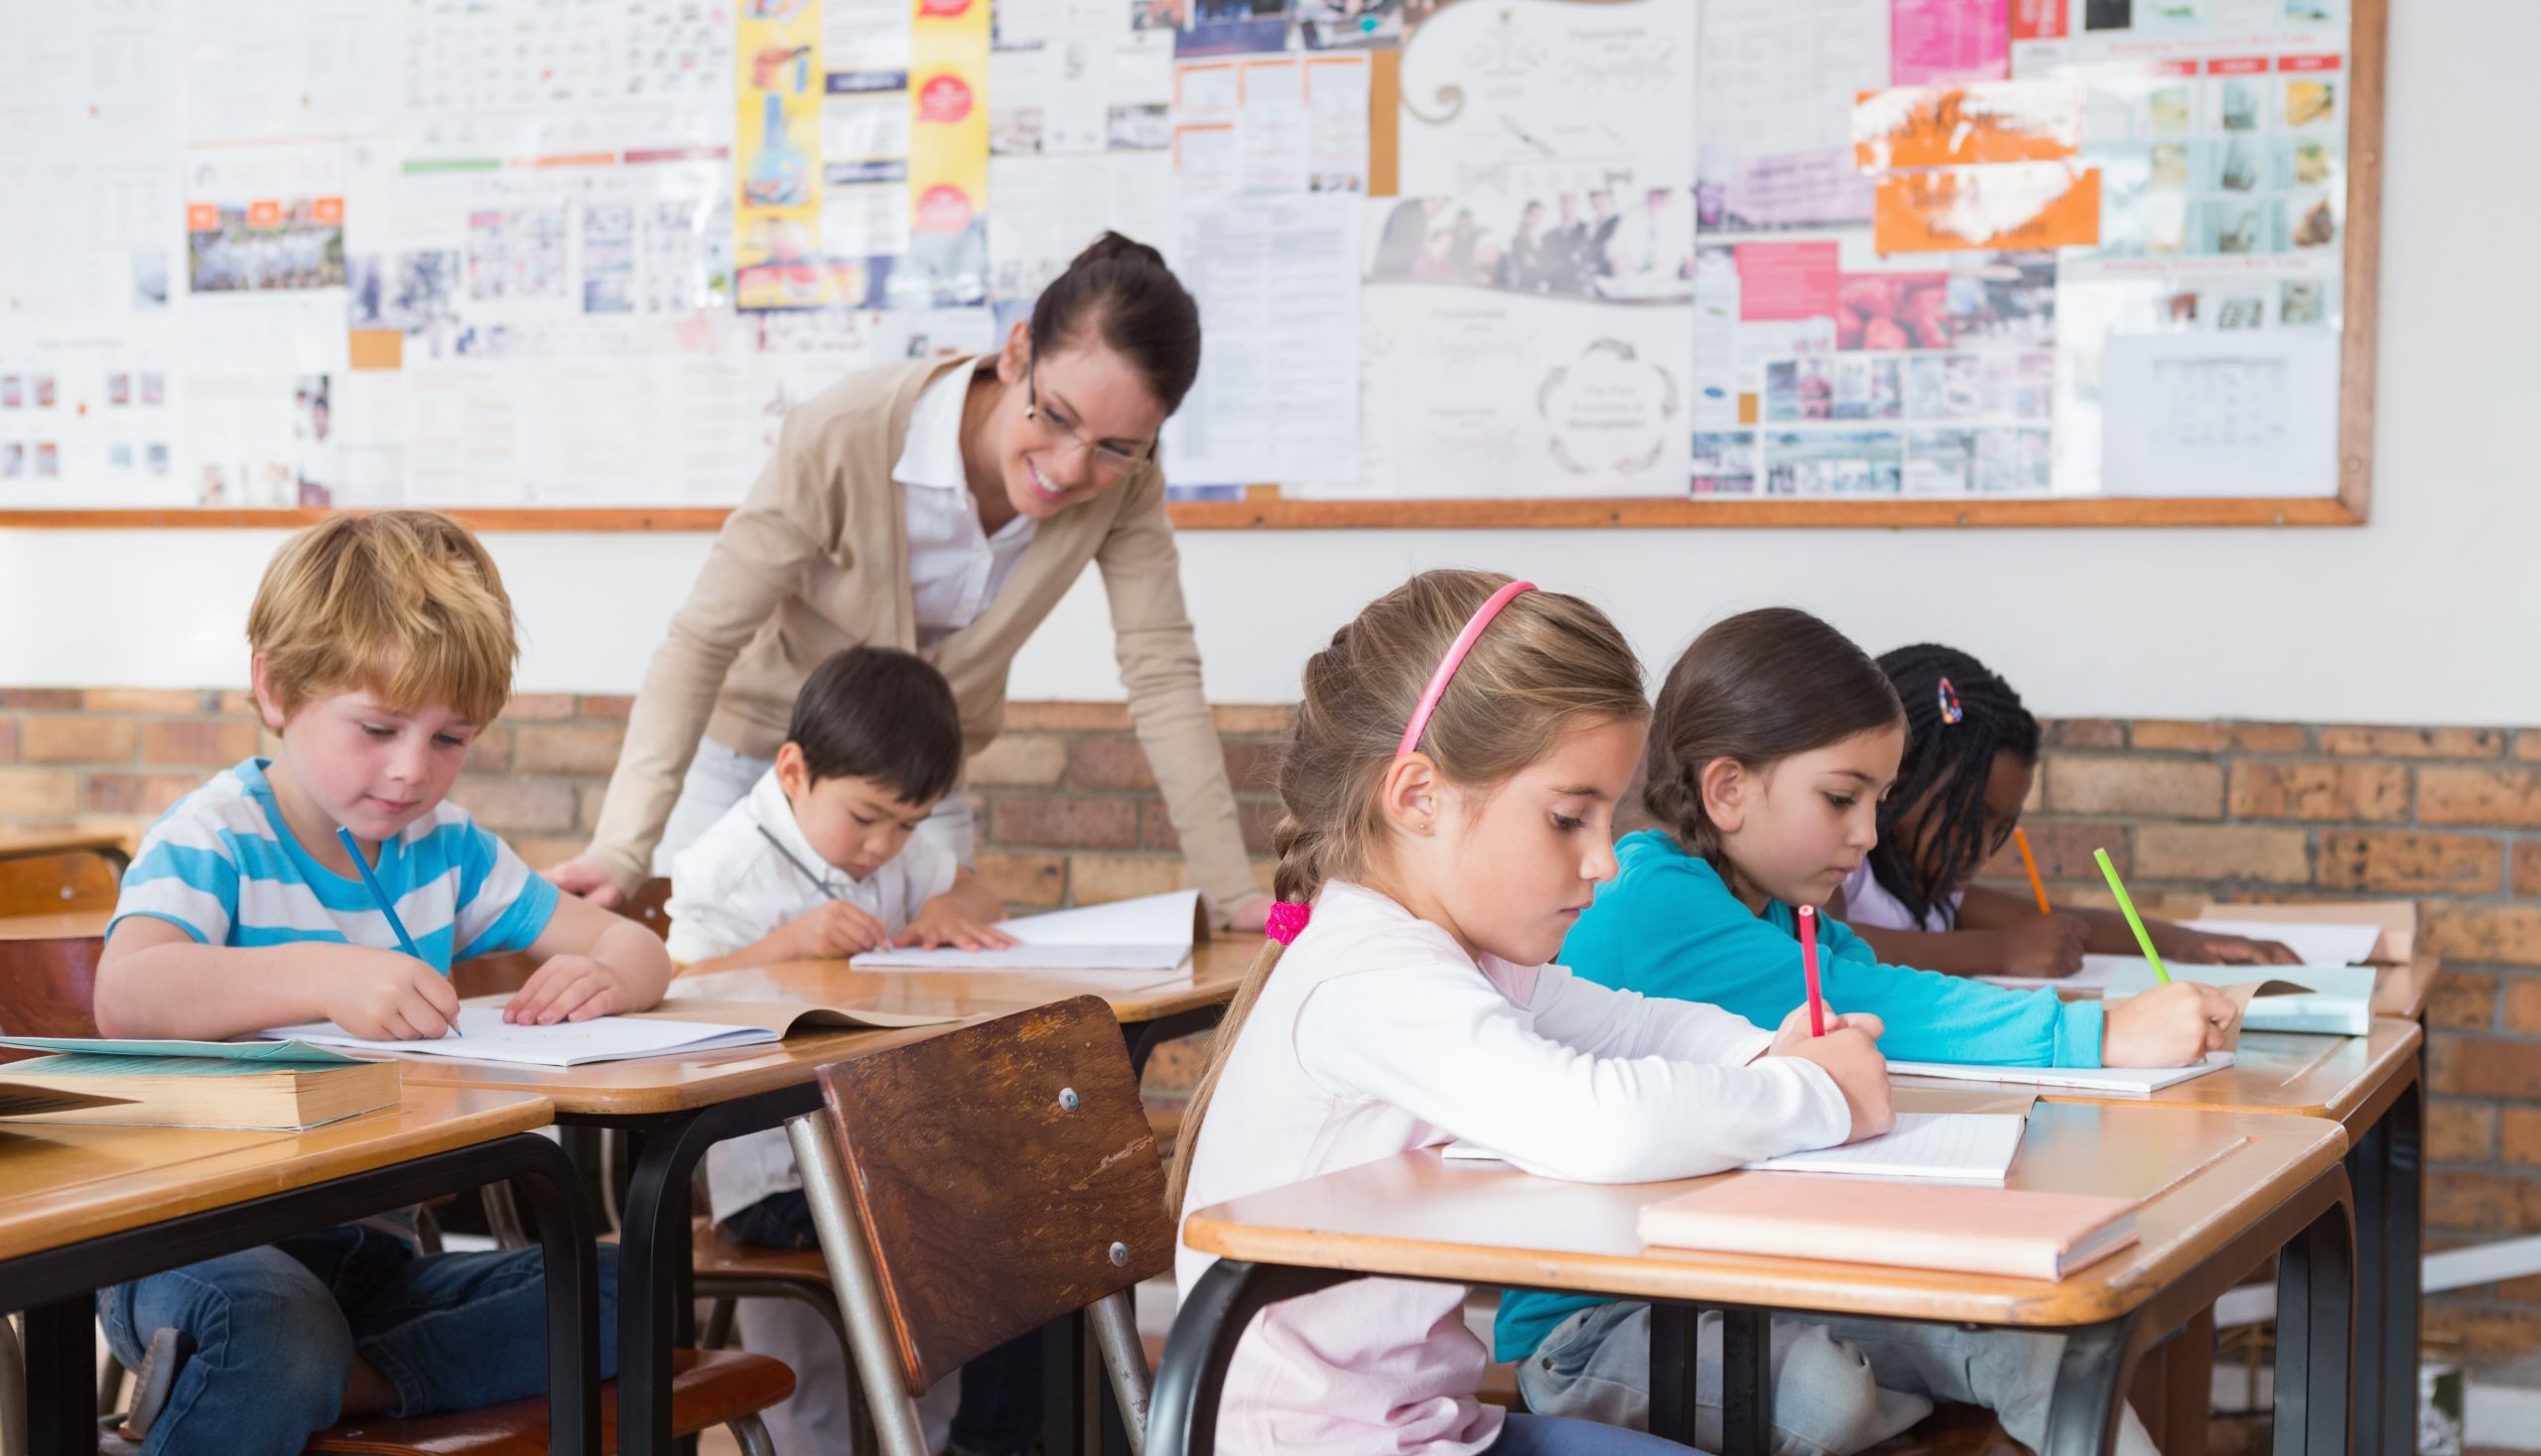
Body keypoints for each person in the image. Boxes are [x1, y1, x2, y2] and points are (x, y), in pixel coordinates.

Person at [1169, 571, 1893, 1456]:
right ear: (1418, 797)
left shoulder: (1453, 954)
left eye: (1607, 817)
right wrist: (1816, 1095)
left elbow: (1635, 1025)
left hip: (1435, 1427)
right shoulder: (1371, 977)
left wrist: (1781, 1049)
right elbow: (1600, 1125)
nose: (1605, 861)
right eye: (1566, 818)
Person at [1498, 608, 2234, 1455]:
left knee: (2035, 1350)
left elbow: (1885, 983)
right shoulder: (1654, 901)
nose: (1869, 835)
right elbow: (1870, 999)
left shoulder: (1780, 907)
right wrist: (2097, 1031)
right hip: (1600, 1321)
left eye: (1878, 801)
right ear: (1727, 788)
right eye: (1842, 797)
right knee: (1827, 1394)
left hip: (1750, 1276)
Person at [92, 511, 671, 1452]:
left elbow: (635, 945)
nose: (411, 770)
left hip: (374, 1259)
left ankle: (333, 1388)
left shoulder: (443, 850)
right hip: (199, 1248)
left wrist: (606, 976)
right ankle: (296, 1379)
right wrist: (323, 974)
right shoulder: (215, 836)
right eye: (377, 727)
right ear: (275, 688)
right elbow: (131, 992)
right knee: (270, 1328)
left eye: (452, 738)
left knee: (632, 1283)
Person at [543, 234, 1268, 934]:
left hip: (915, 791)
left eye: (1117, 447)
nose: (1073, 467)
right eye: (1057, 416)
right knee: (709, 999)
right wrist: (620, 847)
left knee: (936, 1001)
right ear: (1017, 352)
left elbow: (1162, 673)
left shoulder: (1126, 490)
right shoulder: (846, 433)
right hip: (755, 757)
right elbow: (702, 639)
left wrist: (1231, 891)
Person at [662, 643, 1023, 1454]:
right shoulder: (725, 866)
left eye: (908, 825)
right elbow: (673, 990)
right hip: (771, 1173)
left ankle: (945, 1441)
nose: (883, 847)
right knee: (804, 1364)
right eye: (866, 818)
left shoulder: (895, 850)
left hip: (883, 1149)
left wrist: (946, 909)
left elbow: (974, 888)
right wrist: (786, 945)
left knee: (981, 1258)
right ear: (793, 771)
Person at [1836, 644, 2300, 976]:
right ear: (1896, 784)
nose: (1981, 851)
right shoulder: (1843, 865)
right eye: (1969, 820)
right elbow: (1831, 949)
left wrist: (2185, 941)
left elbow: (2065, 926)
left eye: (2001, 827)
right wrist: (1999, 952)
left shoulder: (1931, 891)